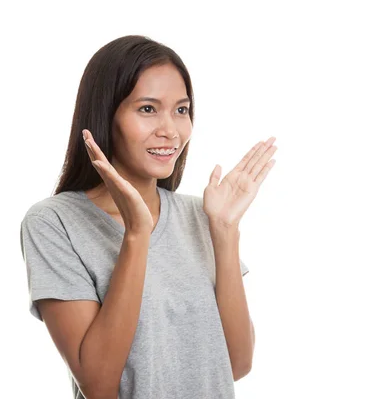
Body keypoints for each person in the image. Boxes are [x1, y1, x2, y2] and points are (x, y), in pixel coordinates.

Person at [19, 35, 277, 399]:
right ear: (105, 114)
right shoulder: (54, 223)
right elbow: (98, 385)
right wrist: (137, 235)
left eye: (181, 110)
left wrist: (224, 229)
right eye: (147, 109)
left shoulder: (201, 215)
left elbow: (237, 363)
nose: (170, 130)